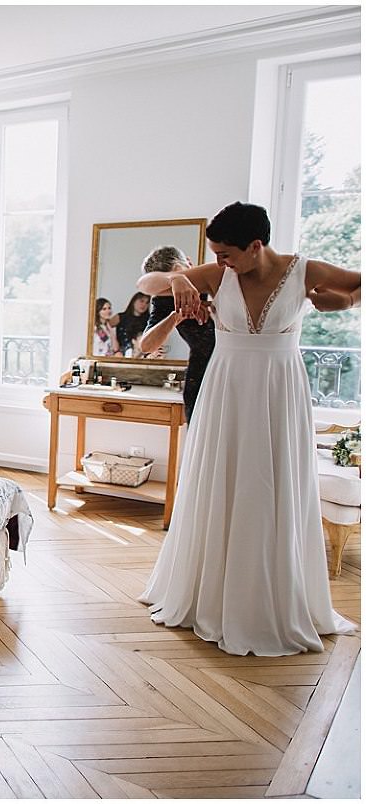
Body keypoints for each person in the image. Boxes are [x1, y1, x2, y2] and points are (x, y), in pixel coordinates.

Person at [137, 202, 359, 655]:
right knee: (223, 478)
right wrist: (180, 278)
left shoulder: (304, 270)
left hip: (279, 390)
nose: (219, 262)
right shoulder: (220, 275)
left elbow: (357, 285)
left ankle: (268, 598)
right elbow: (148, 283)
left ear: (256, 246)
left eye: (226, 254)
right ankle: (210, 591)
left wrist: (348, 300)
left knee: (270, 484)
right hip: (226, 388)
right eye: (214, 254)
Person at [136, 246, 215, 421]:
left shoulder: (211, 278)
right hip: (200, 374)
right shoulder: (165, 299)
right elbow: (147, 346)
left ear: (189, 262)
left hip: (232, 367)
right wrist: (175, 316)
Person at [117, 291, 152, 356]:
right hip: (121, 355)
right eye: (141, 301)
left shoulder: (150, 320)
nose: (144, 305)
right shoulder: (120, 317)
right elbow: (105, 328)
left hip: (142, 355)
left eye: (147, 303)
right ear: (134, 301)